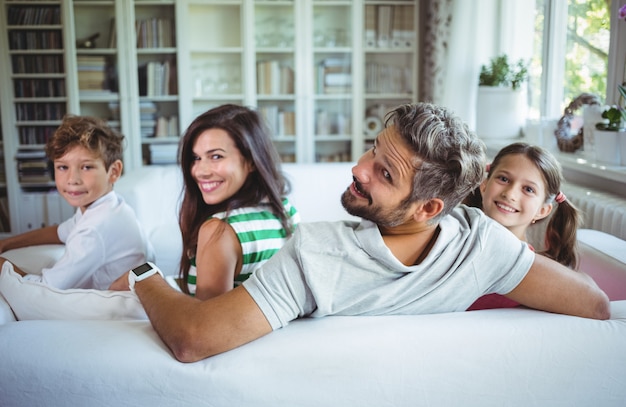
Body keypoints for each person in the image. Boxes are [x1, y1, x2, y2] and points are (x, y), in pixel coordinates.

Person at [120, 102, 610, 363]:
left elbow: (191, 338)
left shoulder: (316, 253)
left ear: (428, 207)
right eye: (373, 150)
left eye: (385, 172)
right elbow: (595, 304)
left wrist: (144, 275)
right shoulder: (483, 243)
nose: (359, 168)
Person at [110, 104, 299, 300]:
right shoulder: (286, 211)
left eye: (216, 156)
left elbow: (205, 324)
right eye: (196, 158)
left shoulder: (220, 231)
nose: (200, 171)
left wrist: (148, 283)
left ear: (251, 160)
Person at [0, 114, 154, 290]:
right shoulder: (107, 207)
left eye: (86, 167)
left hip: (107, 312)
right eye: (63, 167)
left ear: (114, 172)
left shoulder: (94, 229)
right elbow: (59, 232)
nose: (72, 179)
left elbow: (46, 290)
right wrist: (6, 243)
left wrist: (3, 266)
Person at [465, 142, 583, 310]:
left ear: (542, 210)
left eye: (528, 189)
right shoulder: (455, 236)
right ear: (484, 185)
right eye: (504, 179)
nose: (510, 194)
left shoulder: (529, 271)